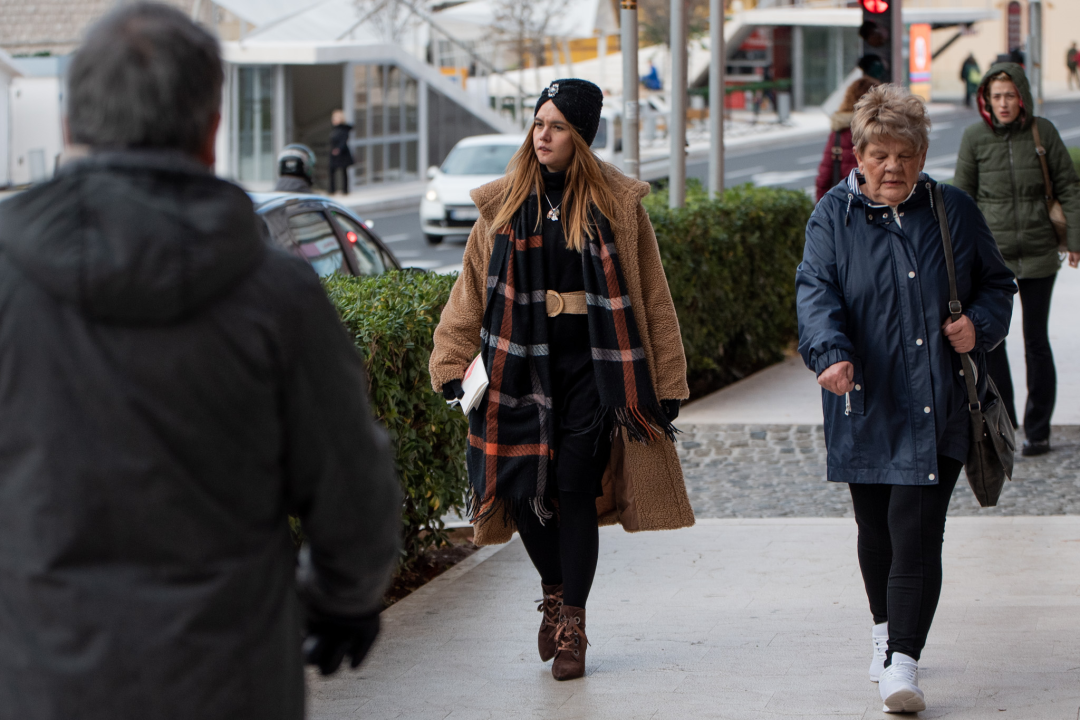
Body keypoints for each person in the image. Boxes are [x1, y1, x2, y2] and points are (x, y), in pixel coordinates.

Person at [0, 6, 402, 720]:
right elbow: (351, 485)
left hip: (39, 677)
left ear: (68, 124)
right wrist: (343, 600)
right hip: (229, 676)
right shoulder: (277, 295)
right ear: (213, 128)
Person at [429, 78, 694, 682]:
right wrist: (450, 363)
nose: (541, 136)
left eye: (556, 126)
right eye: (538, 123)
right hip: (518, 367)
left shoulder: (616, 205)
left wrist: (667, 382)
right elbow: (469, 292)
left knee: (573, 488)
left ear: (581, 136)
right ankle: (553, 592)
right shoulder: (502, 204)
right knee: (524, 489)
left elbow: (653, 295)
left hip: (594, 369)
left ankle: (573, 623)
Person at [797, 84, 1015, 714]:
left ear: (922, 156)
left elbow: (998, 283)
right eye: (880, 155)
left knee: (916, 531)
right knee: (875, 529)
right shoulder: (832, 217)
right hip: (863, 399)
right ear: (859, 155)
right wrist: (830, 352)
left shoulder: (952, 209)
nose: (893, 167)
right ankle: (883, 631)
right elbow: (815, 291)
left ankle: (903, 661)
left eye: (906, 155)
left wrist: (979, 324)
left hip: (939, 399)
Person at [954, 63, 1080, 456]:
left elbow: (1069, 186)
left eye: (1010, 95)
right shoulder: (975, 137)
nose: (1004, 103)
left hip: (1040, 253)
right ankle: (1003, 423)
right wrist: (961, 254)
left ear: (1021, 96)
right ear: (986, 100)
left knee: (1036, 340)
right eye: (996, 97)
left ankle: (1038, 430)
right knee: (992, 341)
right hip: (993, 261)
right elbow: (961, 199)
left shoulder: (1043, 132)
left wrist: (1075, 240)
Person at [815, 76, 881, 201]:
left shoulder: (839, 133)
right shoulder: (884, 132)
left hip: (846, 204)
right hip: (877, 201)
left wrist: (822, 209)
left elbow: (824, 177)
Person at [329, 109, 354, 195]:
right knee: (332, 171)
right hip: (334, 153)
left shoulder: (344, 129)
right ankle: (332, 190)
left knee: (344, 172)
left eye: (335, 118)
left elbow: (343, 141)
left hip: (342, 154)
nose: (334, 120)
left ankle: (345, 190)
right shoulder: (334, 129)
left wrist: (338, 149)